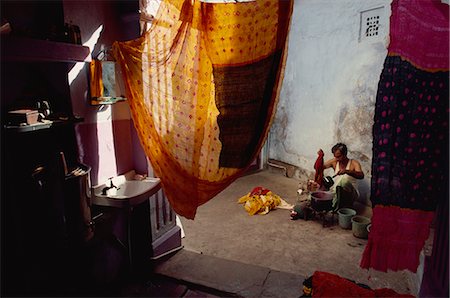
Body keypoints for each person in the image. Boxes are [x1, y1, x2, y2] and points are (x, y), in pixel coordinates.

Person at [322, 143, 364, 211]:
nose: (337, 159)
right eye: (335, 157)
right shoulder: (335, 161)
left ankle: (335, 206)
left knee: (344, 182)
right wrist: (320, 157)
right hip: (336, 192)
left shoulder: (354, 163)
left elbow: (361, 176)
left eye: (339, 156)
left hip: (350, 194)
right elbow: (320, 168)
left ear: (345, 154)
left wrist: (347, 171)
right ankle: (334, 203)